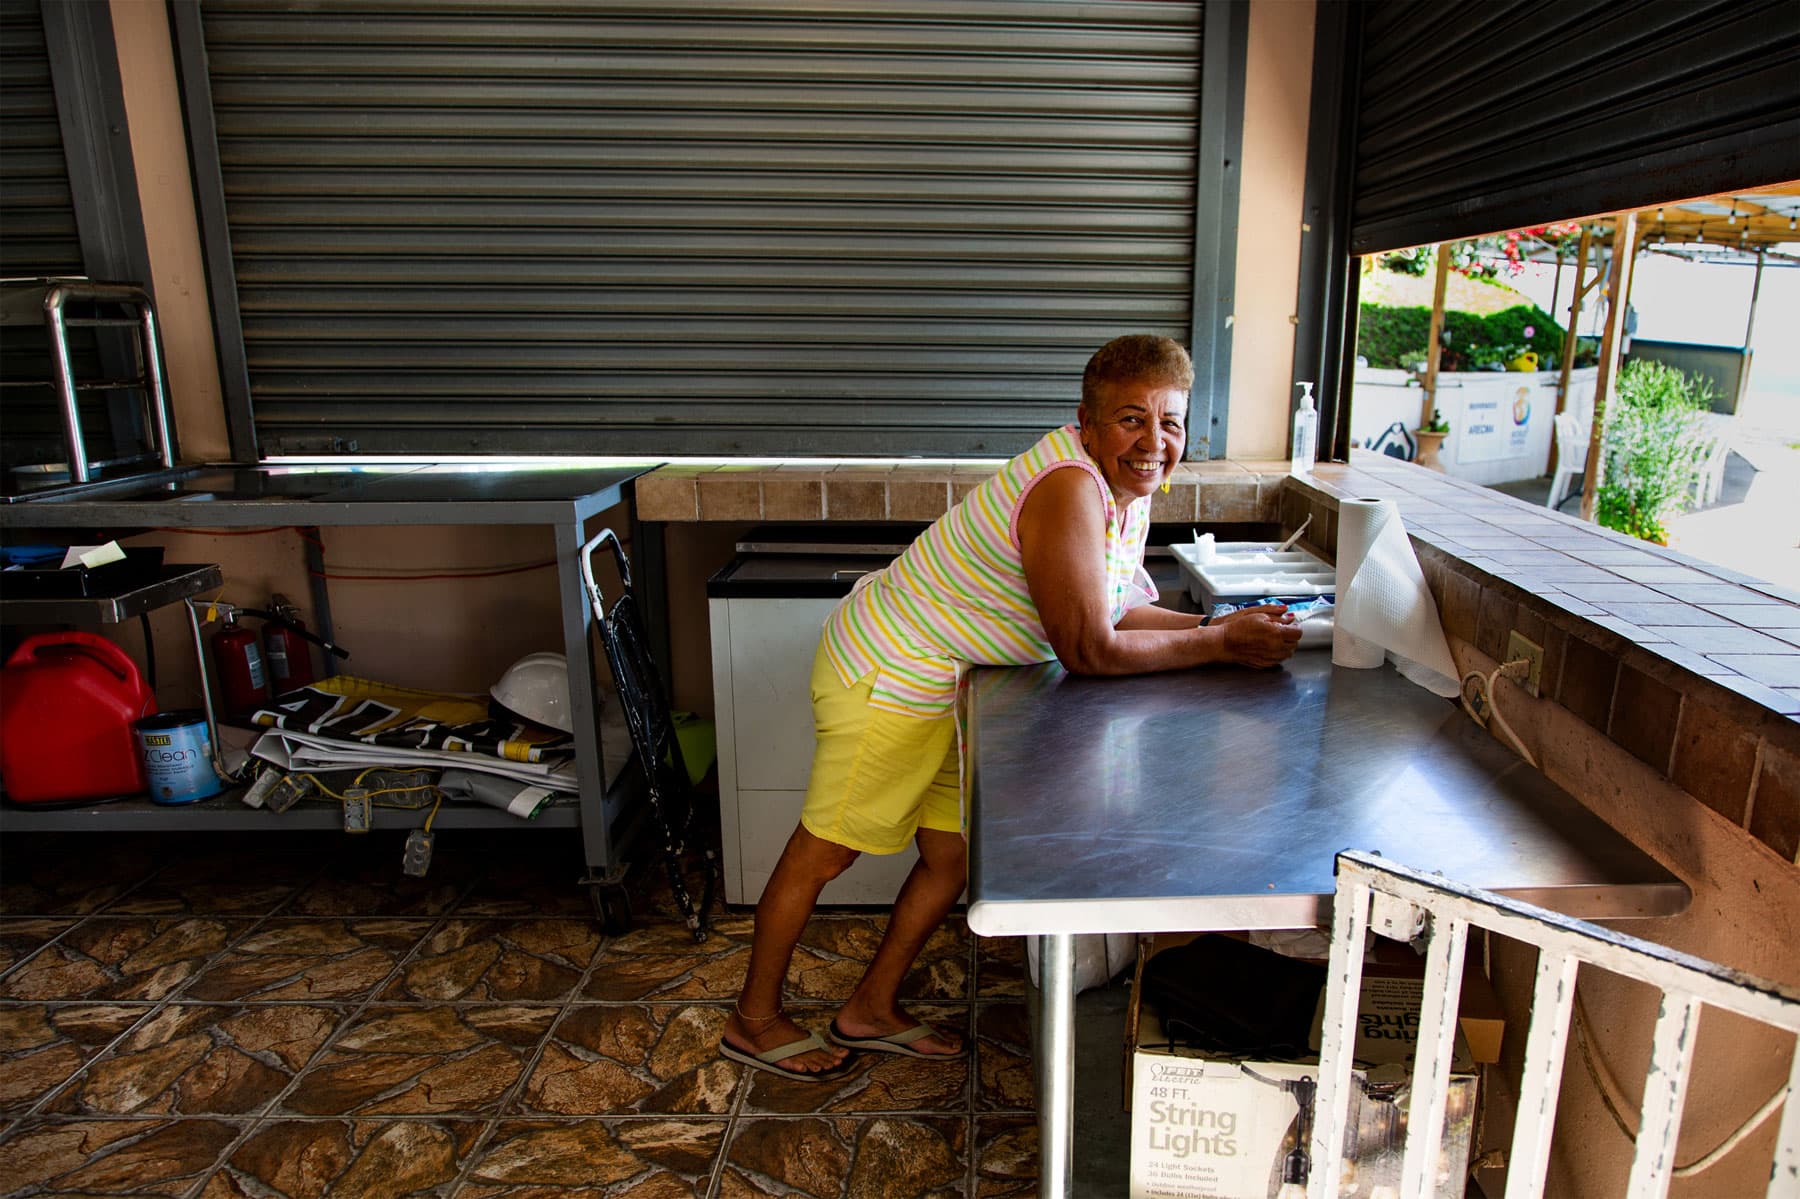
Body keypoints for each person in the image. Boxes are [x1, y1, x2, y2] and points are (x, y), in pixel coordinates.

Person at [720, 334, 1303, 1081]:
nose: (1155, 442)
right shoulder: (1067, 487)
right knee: (828, 848)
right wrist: (1222, 647)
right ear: (1086, 424)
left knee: (952, 856)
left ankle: (869, 1007)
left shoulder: (1126, 493)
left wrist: (1226, 630)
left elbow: (1118, 609)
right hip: (893, 667)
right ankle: (755, 1018)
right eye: (1132, 419)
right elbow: (1091, 646)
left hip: (958, 679)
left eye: (1172, 422)